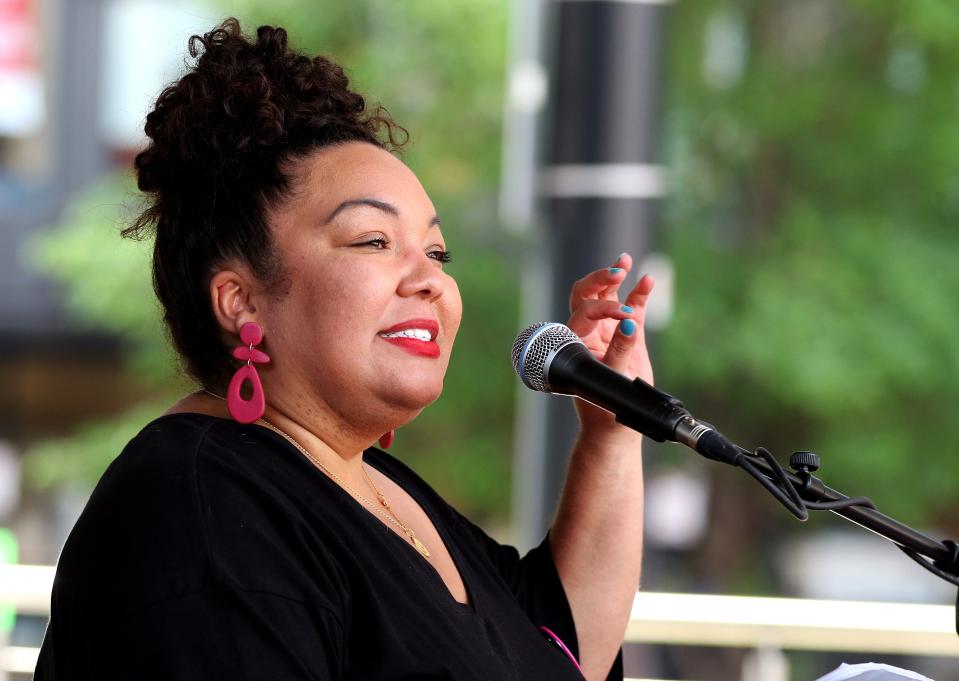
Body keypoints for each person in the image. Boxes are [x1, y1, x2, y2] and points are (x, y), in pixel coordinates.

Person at [34, 18, 654, 681]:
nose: (431, 280)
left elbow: (559, 650)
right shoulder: (203, 515)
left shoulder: (376, 487)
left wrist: (611, 435)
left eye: (437, 251)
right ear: (241, 300)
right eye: (372, 240)